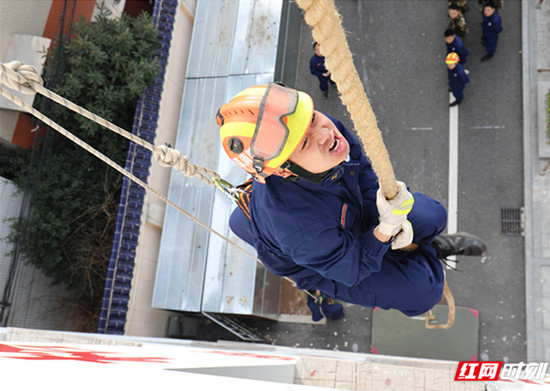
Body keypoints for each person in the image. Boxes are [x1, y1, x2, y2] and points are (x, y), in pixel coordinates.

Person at [216, 82, 486, 317]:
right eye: (305, 144)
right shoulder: (297, 226)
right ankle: (427, 252)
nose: (326, 134)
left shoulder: (323, 130)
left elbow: (360, 169)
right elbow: (351, 268)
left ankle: (422, 244)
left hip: (343, 207)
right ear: (285, 170)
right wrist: (386, 230)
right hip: (327, 261)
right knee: (424, 291)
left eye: (311, 119)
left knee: (433, 216)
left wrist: (381, 200)